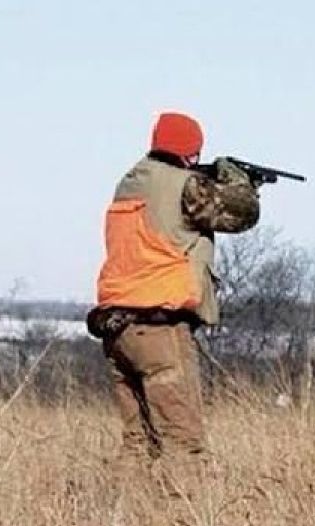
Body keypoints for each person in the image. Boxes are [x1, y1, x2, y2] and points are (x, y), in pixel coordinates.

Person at [87, 111, 261, 461]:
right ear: (192, 153)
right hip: (160, 331)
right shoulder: (186, 186)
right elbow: (242, 214)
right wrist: (241, 181)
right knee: (184, 445)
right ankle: (185, 514)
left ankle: (121, 515)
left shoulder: (130, 183)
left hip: (117, 330)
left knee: (139, 445)